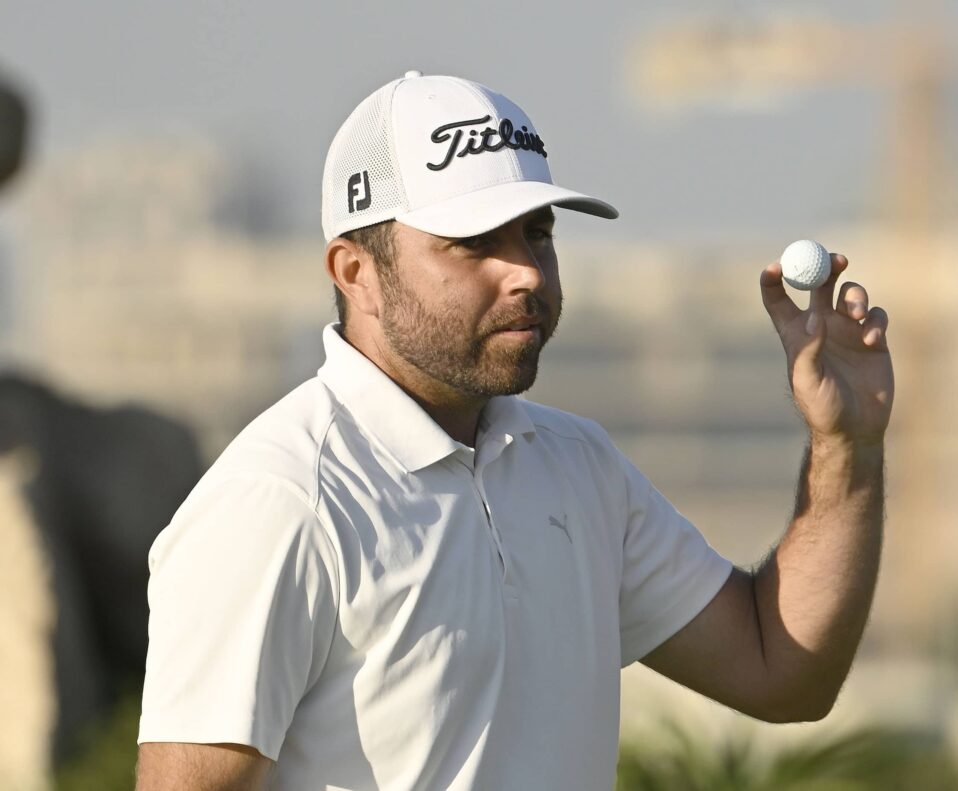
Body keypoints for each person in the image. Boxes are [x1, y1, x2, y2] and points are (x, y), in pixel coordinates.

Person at [135, 72, 894, 791]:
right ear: (355, 271)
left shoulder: (579, 465)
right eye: (471, 242)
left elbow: (780, 671)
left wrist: (846, 448)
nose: (525, 271)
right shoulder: (279, 498)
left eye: (537, 233)